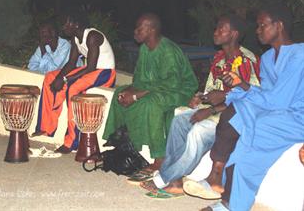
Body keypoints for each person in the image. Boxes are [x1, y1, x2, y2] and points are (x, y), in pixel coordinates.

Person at [184, 5, 304, 210]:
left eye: (262, 25)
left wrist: (243, 85)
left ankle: (229, 199)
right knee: (238, 110)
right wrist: (237, 88)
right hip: (273, 110)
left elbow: (278, 100)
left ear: (279, 26)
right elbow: (262, 94)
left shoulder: (299, 55)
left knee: (249, 135)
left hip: (295, 117)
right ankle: (219, 177)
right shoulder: (267, 59)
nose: (257, 31)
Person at [138, 14, 260, 198]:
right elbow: (213, 92)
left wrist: (210, 109)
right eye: (216, 28)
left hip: (232, 119)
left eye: (221, 29)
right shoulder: (219, 58)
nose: (215, 32)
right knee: (179, 121)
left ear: (234, 34)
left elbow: (249, 100)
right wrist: (200, 98)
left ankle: (164, 178)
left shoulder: (246, 61)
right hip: (214, 112)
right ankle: (176, 181)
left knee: (198, 132)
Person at [102, 13, 198, 171]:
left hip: (179, 90)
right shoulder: (145, 48)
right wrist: (129, 92)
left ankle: (159, 157)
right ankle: (120, 144)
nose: (135, 32)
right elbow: (140, 80)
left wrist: (136, 95)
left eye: (140, 28)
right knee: (119, 92)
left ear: (152, 30)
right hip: (157, 88)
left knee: (151, 103)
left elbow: (172, 83)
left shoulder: (168, 50)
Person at [33, 11, 116, 154]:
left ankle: (72, 141)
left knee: (73, 88)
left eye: (66, 23)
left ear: (76, 24)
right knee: (50, 78)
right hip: (92, 70)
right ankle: (46, 126)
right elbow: (71, 64)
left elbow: (91, 67)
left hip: (105, 72)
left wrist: (64, 79)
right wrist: (59, 78)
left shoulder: (92, 36)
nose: (63, 27)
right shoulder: (75, 39)